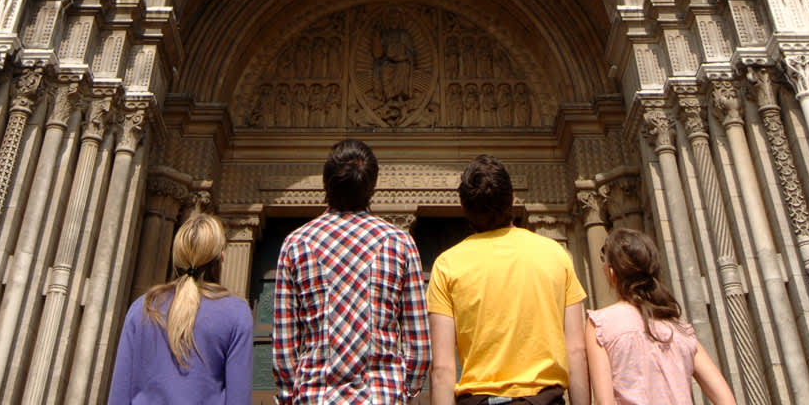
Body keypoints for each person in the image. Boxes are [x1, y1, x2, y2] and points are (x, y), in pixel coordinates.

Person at [273, 138, 429, 403]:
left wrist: (291, 396)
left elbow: (284, 348)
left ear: (326, 183)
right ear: (372, 187)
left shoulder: (296, 244)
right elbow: (420, 346)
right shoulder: (399, 243)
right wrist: (401, 393)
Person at [427, 155, 589, 405]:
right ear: (512, 200)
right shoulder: (556, 254)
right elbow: (576, 350)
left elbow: (442, 369)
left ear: (466, 210)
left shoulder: (447, 265)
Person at [106, 213, 252, 405]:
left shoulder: (143, 308)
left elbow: (119, 394)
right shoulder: (237, 313)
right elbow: (238, 399)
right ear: (221, 257)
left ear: (176, 258)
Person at [585, 229, 737, 405]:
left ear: (612, 273)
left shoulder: (600, 324)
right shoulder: (680, 330)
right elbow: (726, 400)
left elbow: (605, 402)